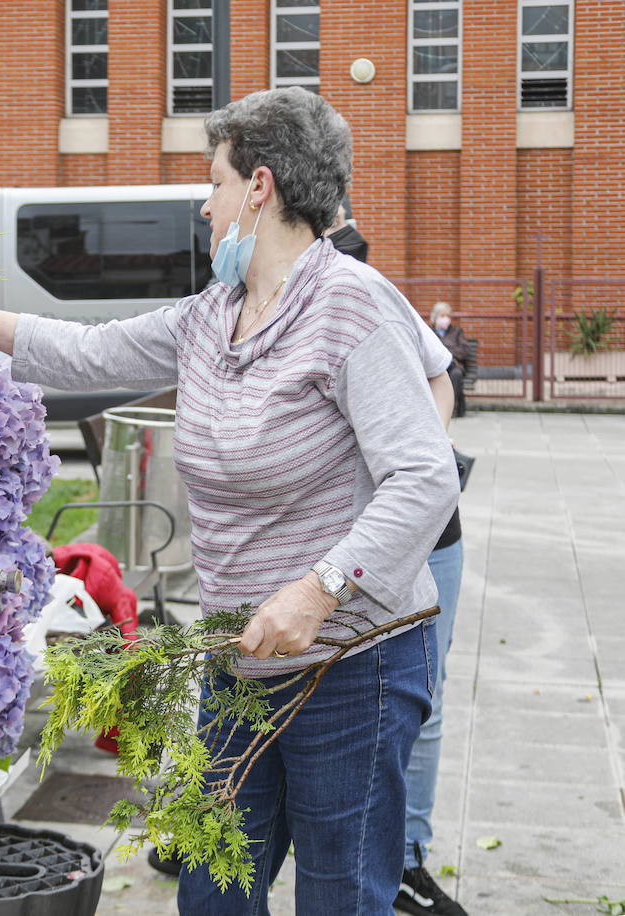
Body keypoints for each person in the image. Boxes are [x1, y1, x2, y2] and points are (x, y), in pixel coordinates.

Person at [0, 87, 459, 912]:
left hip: (350, 666)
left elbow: (424, 476)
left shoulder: (350, 305)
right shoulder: (214, 312)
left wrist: (318, 587)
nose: (205, 201)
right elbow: (89, 352)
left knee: (342, 896)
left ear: (260, 188)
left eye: (215, 181)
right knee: (212, 891)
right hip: (236, 662)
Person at [329, 214, 469, 916]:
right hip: (329, 549)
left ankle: (408, 857)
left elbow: (446, 382)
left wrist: (412, 455)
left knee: (419, 705)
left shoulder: (361, 288)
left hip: (421, 536)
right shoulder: (252, 293)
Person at [429, 301, 473, 417]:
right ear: (435, 317)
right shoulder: (429, 333)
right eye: (442, 316)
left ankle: (449, 409)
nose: (446, 319)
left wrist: (446, 351)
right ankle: (433, 410)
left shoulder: (457, 332)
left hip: (454, 366)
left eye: (448, 316)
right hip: (435, 366)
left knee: (456, 374)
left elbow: (465, 351)